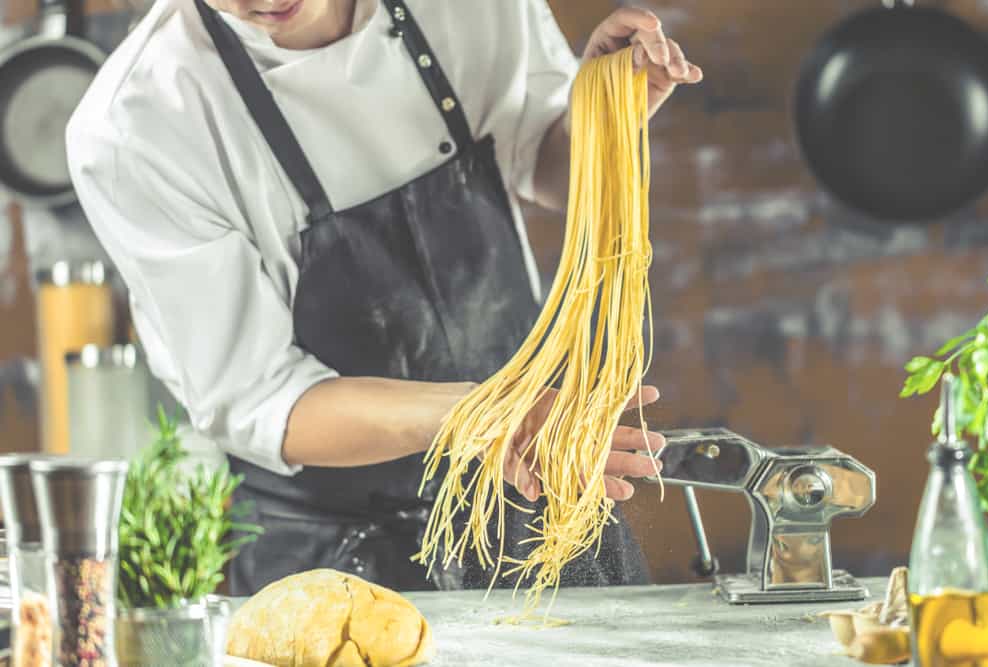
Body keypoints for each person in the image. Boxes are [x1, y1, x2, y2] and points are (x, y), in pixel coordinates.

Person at [66, 0, 703, 595]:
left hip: (537, 493)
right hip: (335, 559)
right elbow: (265, 399)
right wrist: (478, 416)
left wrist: (607, 109)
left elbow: (545, 165)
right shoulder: (139, 125)